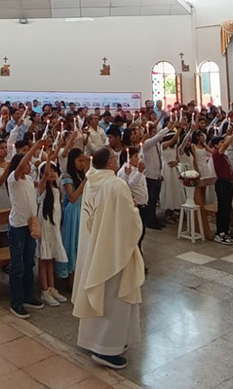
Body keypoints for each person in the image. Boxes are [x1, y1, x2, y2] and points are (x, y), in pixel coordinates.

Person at [73, 147, 144, 370]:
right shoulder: (115, 184)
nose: (116, 160)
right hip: (113, 250)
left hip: (94, 247)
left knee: (97, 292)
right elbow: (127, 219)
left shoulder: (91, 181)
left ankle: (91, 339)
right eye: (115, 158)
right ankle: (107, 349)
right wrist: (134, 209)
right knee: (114, 297)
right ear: (111, 163)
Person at [6, 138, 47, 319]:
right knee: (17, 266)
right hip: (18, 227)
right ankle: (16, 302)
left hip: (30, 224)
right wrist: (35, 147)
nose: (30, 166)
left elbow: (39, 189)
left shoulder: (29, 179)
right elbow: (22, 163)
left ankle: (28, 296)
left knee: (29, 262)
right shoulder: (13, 179)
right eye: (27, 163)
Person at [36, 154, 68, 307]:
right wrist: (48, 158)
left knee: (51, 258)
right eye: (49, 171)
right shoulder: (42, 188)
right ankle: (44, 290)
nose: (52, 173)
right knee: (44, 258)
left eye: (54, 171)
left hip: (54, 226)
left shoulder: (56, 189)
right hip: (45, 226)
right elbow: (43, 179)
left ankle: (52, 287)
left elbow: (59, 209)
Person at [56, 145, 87, 282]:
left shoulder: (80, 175)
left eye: (83, 161)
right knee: (72, 244)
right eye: (79, 161)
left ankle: (80, 276)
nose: (82, 164)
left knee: (81, 244)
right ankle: (71, 279)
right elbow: (72, 197)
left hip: (81, 210)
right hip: (72, 212)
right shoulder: (67, 175)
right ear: (72, 160)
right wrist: (85, 181)